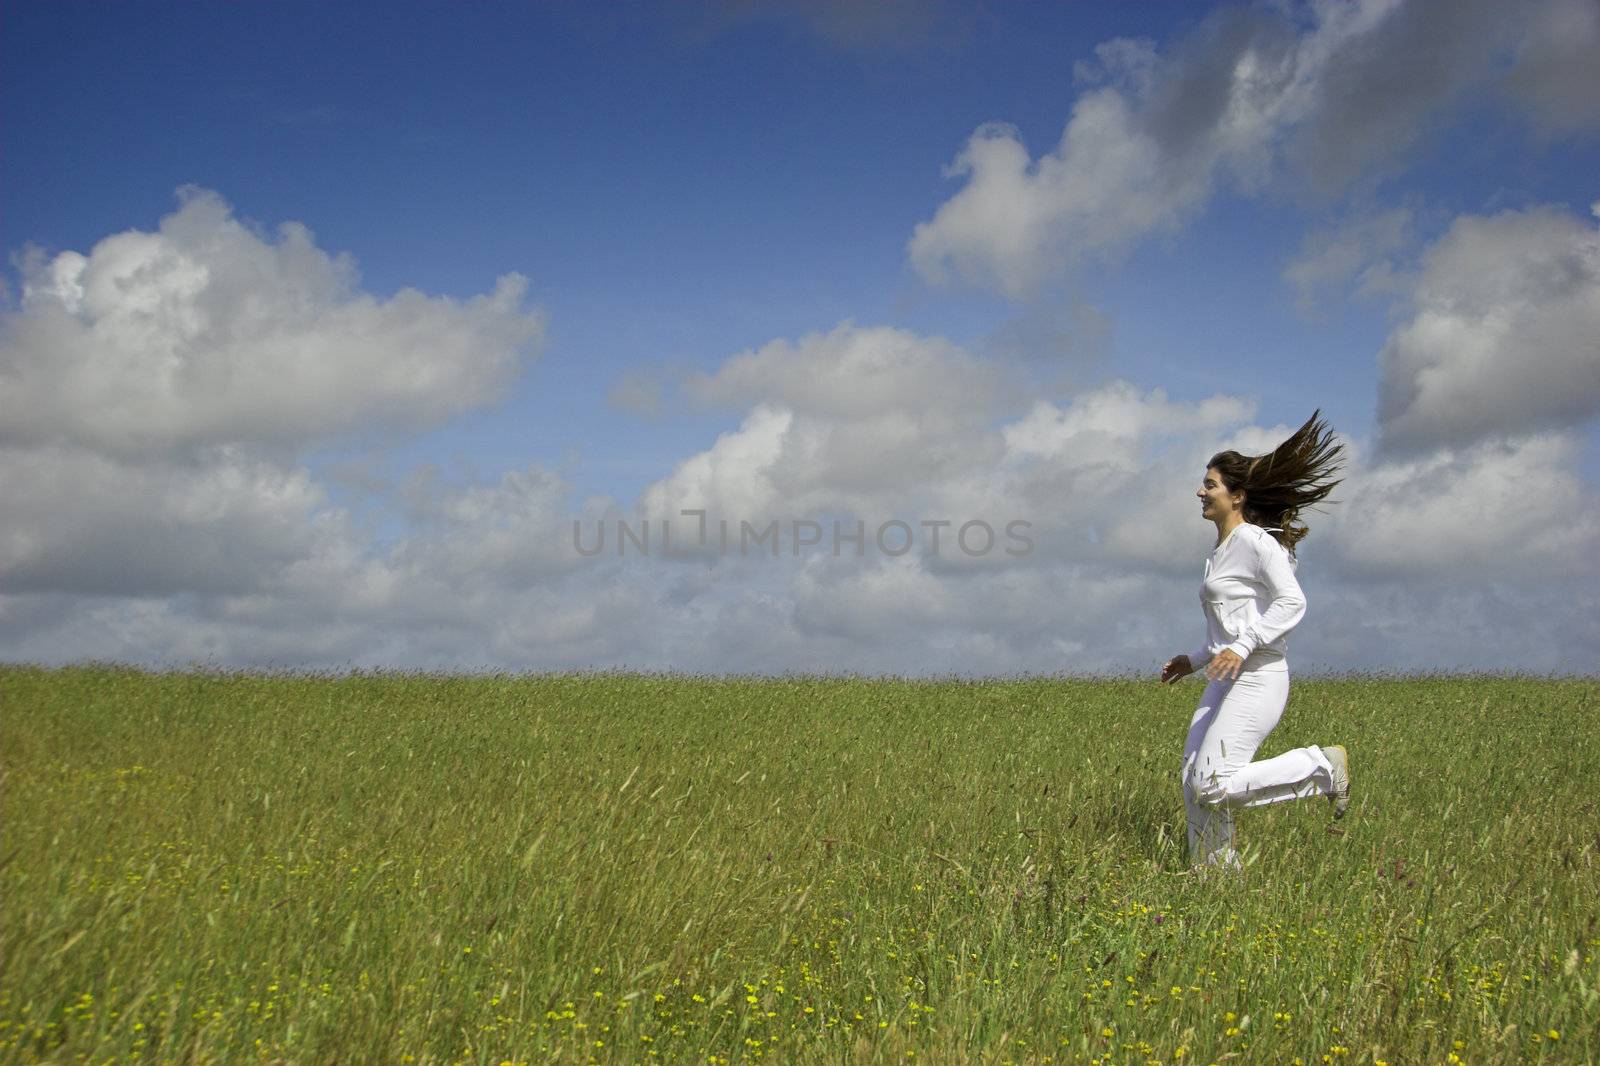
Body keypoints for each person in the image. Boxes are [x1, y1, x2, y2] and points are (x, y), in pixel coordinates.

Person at [1159, 410, 1351, 870]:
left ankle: (1321, 768)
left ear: (1237, 495)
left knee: (1211, 782)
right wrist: (1194, 658)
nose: (1200, 492)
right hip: (1224, 676)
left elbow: (1292, 603)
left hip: (1260, 675)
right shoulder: (1217, 554)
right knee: (1192, 780)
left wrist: (1242, 648)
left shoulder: (1256, 543)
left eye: (1210, 485)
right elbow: (1229, 632)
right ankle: (1215, 879)